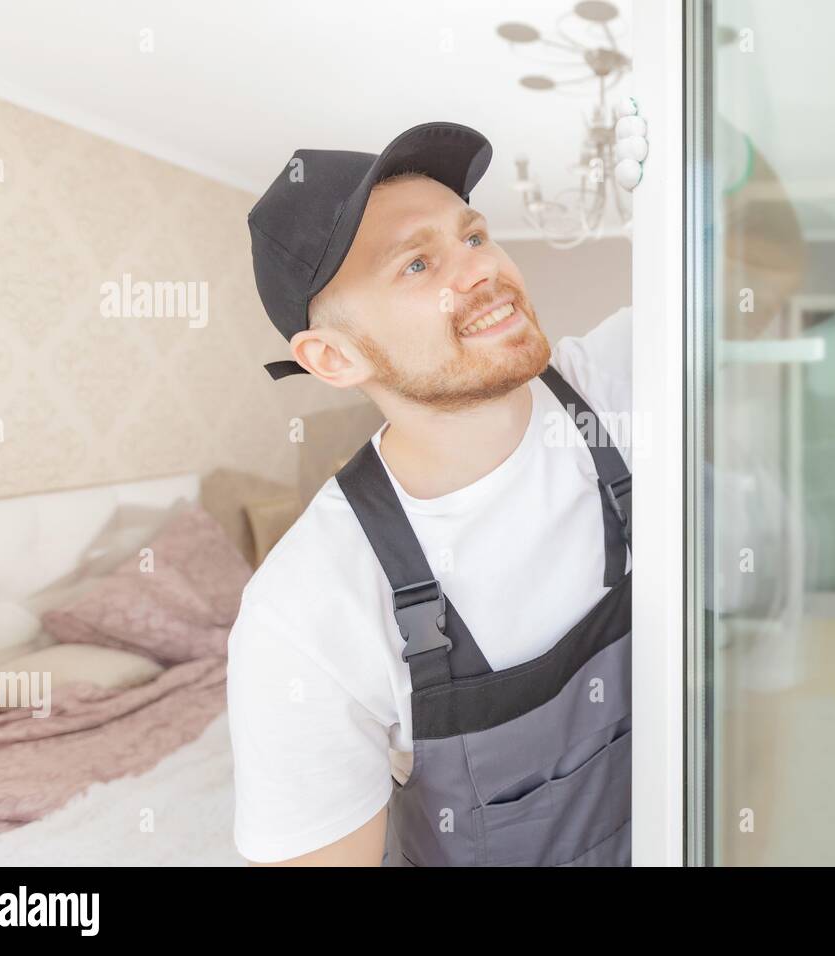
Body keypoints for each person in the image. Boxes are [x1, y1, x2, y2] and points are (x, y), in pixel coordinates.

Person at [228, 114, 647, 866]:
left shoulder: (610, 386)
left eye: (474, 236)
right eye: (416, 265)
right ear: (331, 357)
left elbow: (768, 272)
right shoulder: (304, 612)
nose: (480, 268)